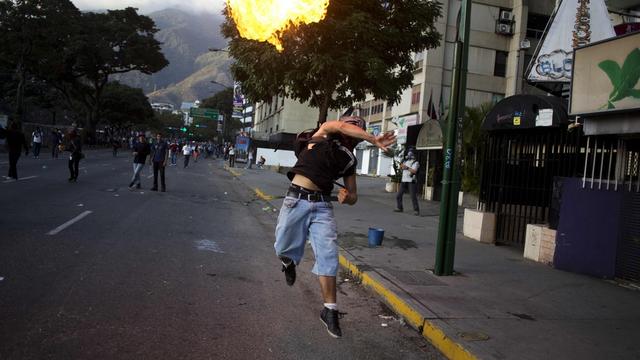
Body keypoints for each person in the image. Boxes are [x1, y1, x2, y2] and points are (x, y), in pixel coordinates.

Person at [274, 115, 396, 338]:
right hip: (296, 200)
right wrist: (373, 139)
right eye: (350, 126)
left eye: (355, 127)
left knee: (329, 256)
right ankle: (288, 261)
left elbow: (354, 196)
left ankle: (330, 310)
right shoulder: (323, 133)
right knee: (282, 246)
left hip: (322, 207)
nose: (350, 129)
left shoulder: (349, 159)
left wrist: (346, 197)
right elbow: (338, 125)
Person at [394, 149, 420, 215]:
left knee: (413, 196)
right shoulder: (405, 161)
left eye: (411, 153)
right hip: (404, 180)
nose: (409, 155)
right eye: (409, 153)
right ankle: (400, 208)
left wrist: (407, 168)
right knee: (399, 195)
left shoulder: (415, 162)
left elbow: (414, 171)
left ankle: (416, 210)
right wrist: (402, 166)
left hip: (411, 181)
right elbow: (401, 168)